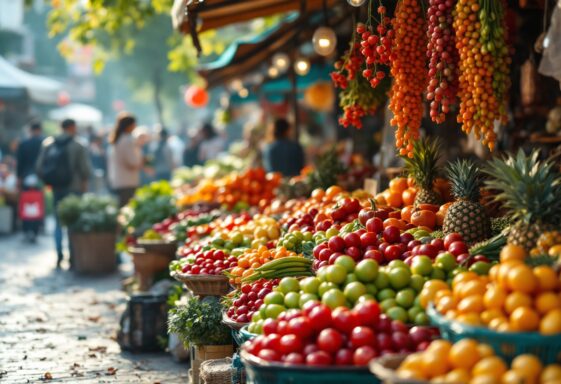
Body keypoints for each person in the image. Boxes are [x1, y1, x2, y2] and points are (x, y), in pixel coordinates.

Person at [36, 119, 91, 268]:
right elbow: (85, 169)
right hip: (75, 188)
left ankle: (59, 254)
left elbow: (40, 167)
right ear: (72, 127)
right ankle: (73, 256)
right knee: (73, 221)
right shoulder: (78, 144)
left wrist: (49, 181)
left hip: (56, 188)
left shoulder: (48, 143)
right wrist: (84, 183)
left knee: (58, 222)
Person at [107, 113, 143, 207]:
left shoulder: (118, 140)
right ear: (130, 125)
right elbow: (133, 162)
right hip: (128, 181)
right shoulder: (127, 140)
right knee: (127, 209)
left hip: (119, 181)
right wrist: (143, 161)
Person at [16, 122, 45, 241]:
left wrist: (19, 178)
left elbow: (20, 163)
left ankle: (26, 228)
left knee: (26, 203)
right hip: (39, 178)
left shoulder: (23, 144)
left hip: (25, 176)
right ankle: (36, 229)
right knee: (38, 203)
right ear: (39, 130)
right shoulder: (44, 144)